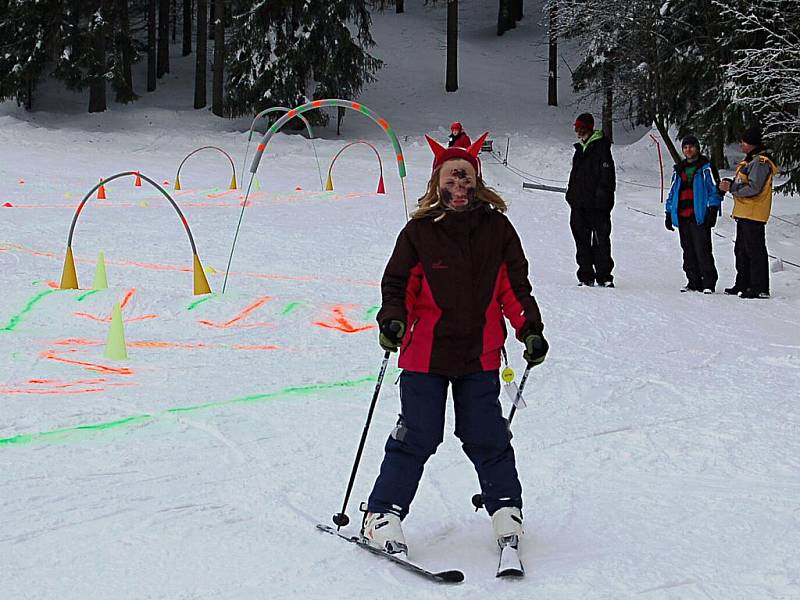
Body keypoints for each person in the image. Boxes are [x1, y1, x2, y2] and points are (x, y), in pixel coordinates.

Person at [362, 131, 548, 557]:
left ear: (476, 182)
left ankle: (505, 508)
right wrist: (393, 319)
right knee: (418, 434)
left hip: (479, 354)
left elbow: (513, 289)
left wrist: (529, 329)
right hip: (425, 353)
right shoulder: (419, 233)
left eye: (465, 180)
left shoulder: (497, 230)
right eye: (450, 180)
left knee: (486, 434)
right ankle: (382, 514)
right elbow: (398, 286)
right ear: (437, 184)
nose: (458, 188)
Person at [719, 127, 778, 299]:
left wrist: (732, 188)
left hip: (754, 213)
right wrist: (731, 184)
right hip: (745, 213)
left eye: (744, 142)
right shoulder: (750, 161)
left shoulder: (760, 163)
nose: (741, 145)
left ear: (751, 144)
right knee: (741, 250)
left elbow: (754, 188)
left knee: (754, 251)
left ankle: (759, 287)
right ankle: (743, 283)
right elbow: (743, 182)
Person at [664, 135, 723, 293]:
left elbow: (714, 191)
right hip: (682, 216)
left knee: (702, 250)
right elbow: (673, 192)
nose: (688, 150)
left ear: (697, 148)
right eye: (685, 147)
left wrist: (712, 210)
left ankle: (708, 281)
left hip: (699, 216)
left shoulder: (706, 168)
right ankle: (693, 281)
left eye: (691, 146)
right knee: (688, 250)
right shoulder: (679, 169)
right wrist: (669, 212)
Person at [565, 113, 617, 287]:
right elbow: (575, 176)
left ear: (586, 128)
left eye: (579, 128)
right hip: (579, 205)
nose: (577, 131)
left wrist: (603, 199)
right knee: (581, 241)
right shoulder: (580, 150)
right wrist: (571, 195)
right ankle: (586, 275)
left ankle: (604, 275)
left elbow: (608, 178)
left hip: (598, 206)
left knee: (601, 241)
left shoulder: (602, 148)